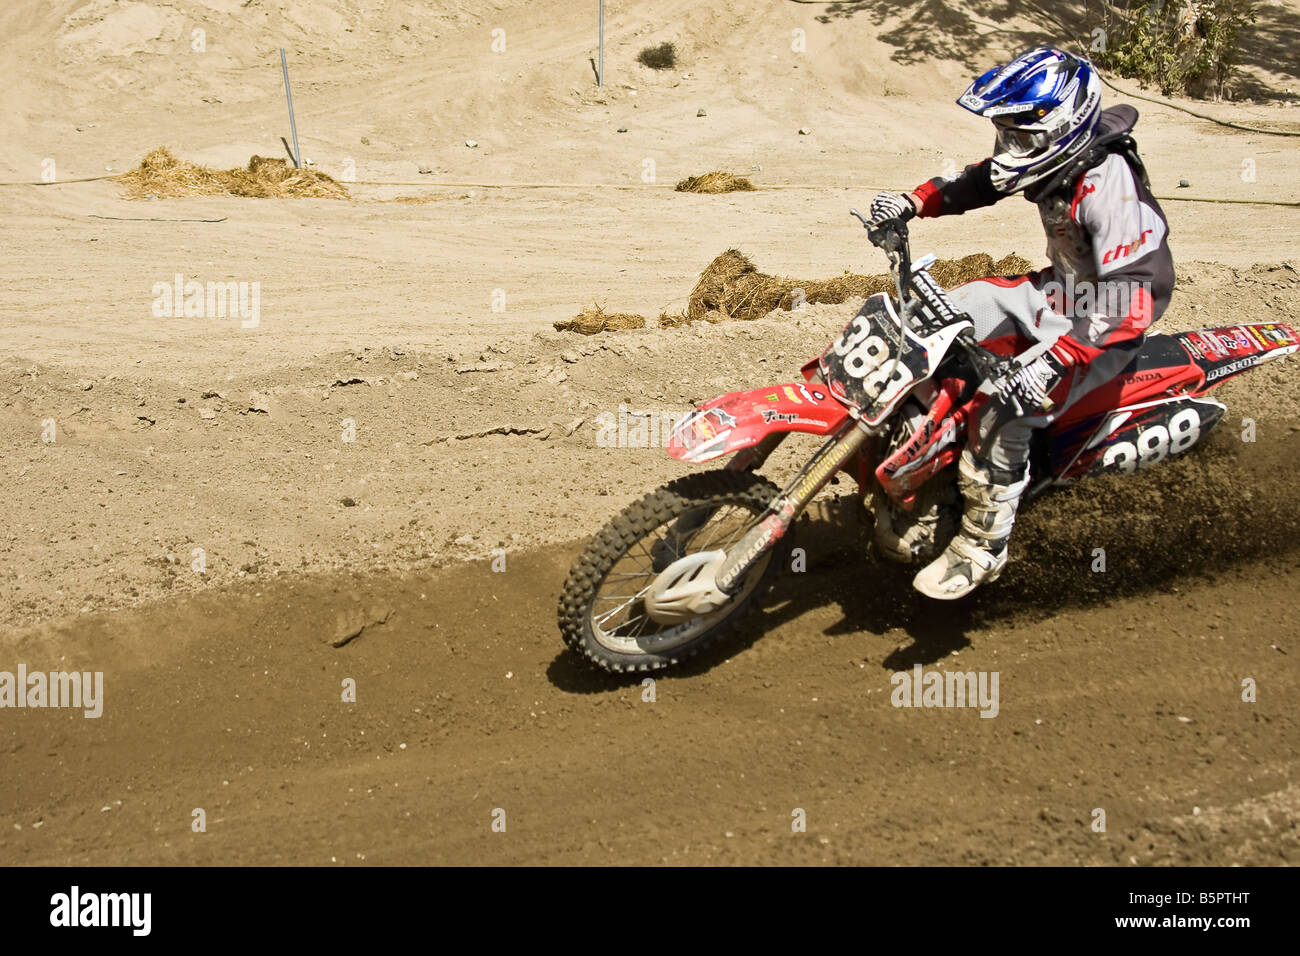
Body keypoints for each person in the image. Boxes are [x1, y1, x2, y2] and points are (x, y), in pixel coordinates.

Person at [867, 45, 1174, 600]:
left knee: (1004, 407)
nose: (1011, 148)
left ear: (1065, 125)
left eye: (1020, 137)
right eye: (1005, 134)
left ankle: (982, 546)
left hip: (1101, 331)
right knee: (935, 319)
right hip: (1055, 294)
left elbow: (1137, 292)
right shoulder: (1055, 157)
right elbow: (983, 181)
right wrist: (913, 202)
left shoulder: (1110, 187)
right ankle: (917, 459)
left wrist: (1060, 358)